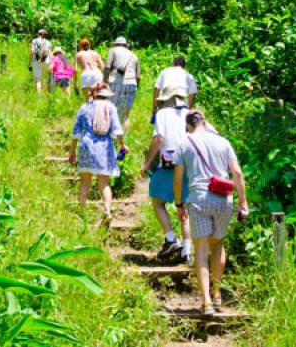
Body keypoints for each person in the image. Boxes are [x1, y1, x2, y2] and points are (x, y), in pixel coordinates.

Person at [173, 109, 249, 316]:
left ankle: (206, 302)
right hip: (223, 199)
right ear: (204, 123)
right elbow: (238, 173)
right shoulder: (223, 142)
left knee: (201, 249)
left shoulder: (184, 144)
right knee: (218, 245)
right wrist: (243, 203)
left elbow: (178, 179)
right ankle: (216, 293)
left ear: (188, 125)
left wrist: (179, 204)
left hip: (198, 199)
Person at [140, 86, 192, 264]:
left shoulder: (162, 114)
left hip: (169, 164)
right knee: (183, 208)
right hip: (188, 165)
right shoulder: (190, 113)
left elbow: (159, 138)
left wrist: (147, 163)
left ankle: (170, 238)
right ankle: (187, 250)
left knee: (157, 202)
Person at [69, 83, 127, 219]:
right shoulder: (110, 107)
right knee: (104, 182)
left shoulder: (84, 107)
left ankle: (82, 212)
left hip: (86, 146)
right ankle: (107, 210)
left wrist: (72, 151)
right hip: (104, 147)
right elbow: (117, 129)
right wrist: (122, 144)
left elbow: (76, 131)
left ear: (94, 94)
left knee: (85, 181)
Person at [104, 36, 140, 129]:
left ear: (115, 44)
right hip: (132, 84)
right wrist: (137, 87)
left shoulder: (113, 50)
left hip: (116, 83)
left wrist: (105, 82)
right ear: (125, 45)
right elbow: (138, 76)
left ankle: (110, 133)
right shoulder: (134, 55)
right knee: (126, 115)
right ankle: (125, 135)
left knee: (112, 110)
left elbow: (107, 67)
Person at [28, 29, 52, 93]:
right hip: (47, 61)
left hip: (37, 61)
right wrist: (52, 63)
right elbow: (49, 53)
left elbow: (32, 51)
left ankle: (39, 96)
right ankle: (49, 94)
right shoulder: (48, 42)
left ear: (38, 34)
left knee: (38, 80)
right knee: (48, 78)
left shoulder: (34, 41)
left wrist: (29, 63)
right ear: (45, 35)